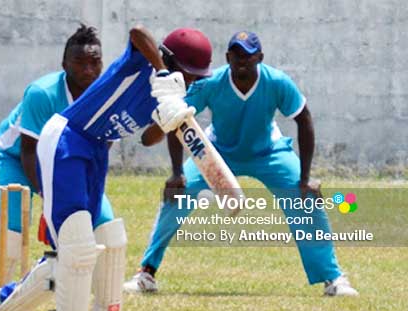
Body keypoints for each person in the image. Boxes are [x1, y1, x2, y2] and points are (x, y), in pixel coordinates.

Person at [0, 26, 211, 311]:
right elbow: (137, 31)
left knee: (80, 250)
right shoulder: (143, 64)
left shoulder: (173, 91)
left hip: (97, 150)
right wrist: (164, 74)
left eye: (196, 78)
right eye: (187, 74)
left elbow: (148, 138)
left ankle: (9, 302)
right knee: (77, 247)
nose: (190, 82)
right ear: (169, 59)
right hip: (67, 138)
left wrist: (170, 115)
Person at [123, 31, 359, 297]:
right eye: (236, 54)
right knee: (178, 196)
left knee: (305, 199)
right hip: (217, 151)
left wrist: (306, 178)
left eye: (248, 54)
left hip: (268, 152)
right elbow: (176, 119)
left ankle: (332, 278)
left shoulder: (277, 82)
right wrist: (177, 174)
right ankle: (146, 273)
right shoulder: (210, 83)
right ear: (228, 57)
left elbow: (304, 119)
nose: (242, 60)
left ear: (260, 57)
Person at [0, 24, 130, 311]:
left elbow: (100, 153)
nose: (89, 70)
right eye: (80, 63)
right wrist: (50, 201)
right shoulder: (42, 93)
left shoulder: (107, 97)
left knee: (110, 232)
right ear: (65, 65)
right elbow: (29, 152)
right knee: (12, 231)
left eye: (95, 62)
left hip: (70, 166)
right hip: (14, 160)